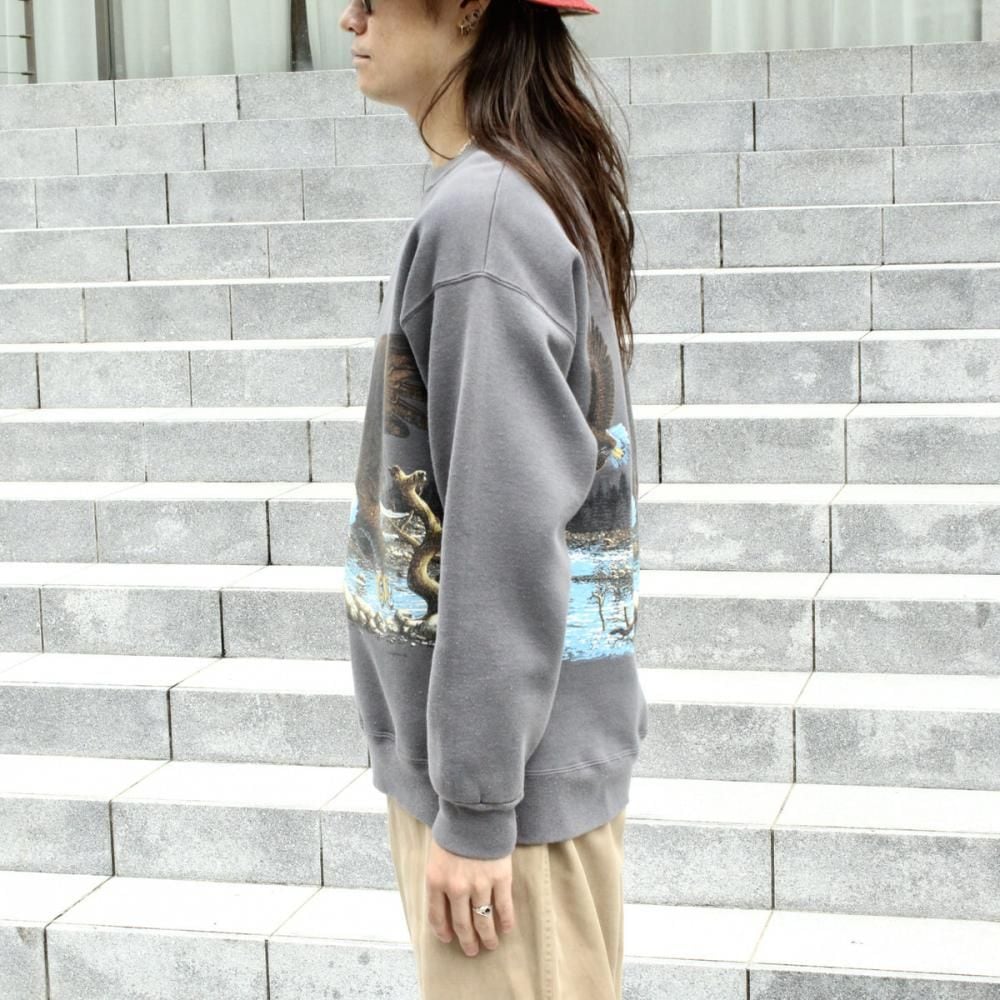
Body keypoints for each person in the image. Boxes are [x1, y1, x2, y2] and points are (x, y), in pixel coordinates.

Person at [339, 0, 647, 995]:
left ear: (470, 9)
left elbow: (505, 529)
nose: (349, 19)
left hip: (504, 809)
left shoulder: (484, 215)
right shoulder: (513, 189)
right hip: (513, 783)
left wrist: (474, 809)